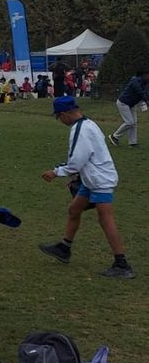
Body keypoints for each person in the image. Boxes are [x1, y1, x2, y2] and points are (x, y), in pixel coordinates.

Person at [38, 95, 135, 278]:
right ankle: (64, 248)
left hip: (99, 180)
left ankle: (122, 264)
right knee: (74, 209)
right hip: (92, 179)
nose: (59, 120)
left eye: (58, 117)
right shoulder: (89, 123)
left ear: (65, 114)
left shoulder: (79, 130)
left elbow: (76, 161)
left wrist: (56, 172)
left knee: (105, 219)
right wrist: (78, 177)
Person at [108, 70, 149, 148]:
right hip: (123, 103)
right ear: (144, 75)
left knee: (134, 123)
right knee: (130, 122)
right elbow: (141, 92)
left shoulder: (144, 82)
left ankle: (133, 143)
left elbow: (145, 93)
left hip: (131, 104)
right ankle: (114, 136)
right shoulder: (135, 81)